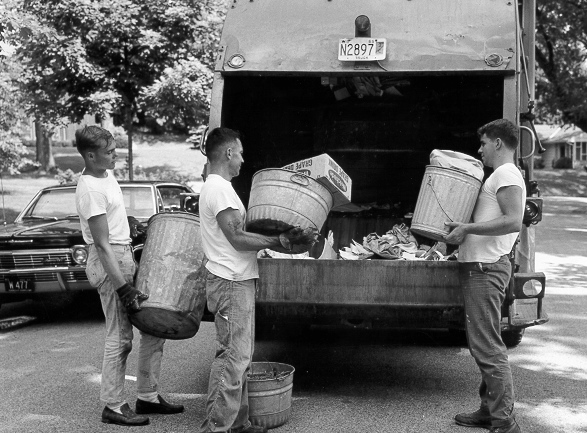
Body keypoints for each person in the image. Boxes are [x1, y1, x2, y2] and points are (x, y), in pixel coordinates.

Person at [198, 127, 318, 433]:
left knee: (240, 356)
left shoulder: (219, 186)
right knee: (233, 357)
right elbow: (237, 237)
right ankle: (215, 427)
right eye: (239, 152)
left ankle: (238, 423)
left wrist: (279, 239)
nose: (241, 158)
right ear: (227, 153)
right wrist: (279, 241)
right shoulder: (219, 189)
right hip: (231, 281)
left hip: (235, 278)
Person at [74, 125, 184, 426]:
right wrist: (123, 288)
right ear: (90, 155)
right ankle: (113, 404)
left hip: (123, 253)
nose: (115, 157)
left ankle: (147, 396)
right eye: (109, 153)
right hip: (111, 262)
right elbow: (101, 244)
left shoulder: (105, 176)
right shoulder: (90, 190)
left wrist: (129, 221)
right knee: (120, 337)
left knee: (153, 326)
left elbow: (111, 221)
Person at [445, 119, 527, 433]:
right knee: (485, 343)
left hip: (485, 269)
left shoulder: (505, 173)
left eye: (483, 144)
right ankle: (488, 411)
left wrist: (467, 229)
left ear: (497, 143)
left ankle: (504, 423)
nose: (480, 150)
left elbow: (511, 222)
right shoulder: (501, 175)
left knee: (488, 347)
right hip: (483, 266)